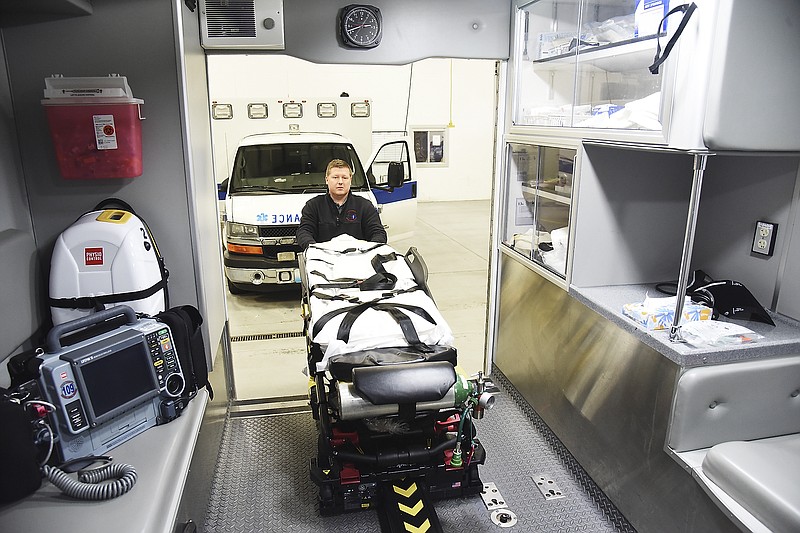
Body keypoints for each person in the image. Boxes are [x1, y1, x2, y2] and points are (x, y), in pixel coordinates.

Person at [296, 159, 387, 250]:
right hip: (324, 259)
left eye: (344, 177)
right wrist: (314, 248)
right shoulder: (313, 206)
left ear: (350, 180)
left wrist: (368, 250)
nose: (340, 182)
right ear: (327, 180)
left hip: (358, 259)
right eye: (335, 177)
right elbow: (304, 232)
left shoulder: (365, 206)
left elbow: (378, 233)